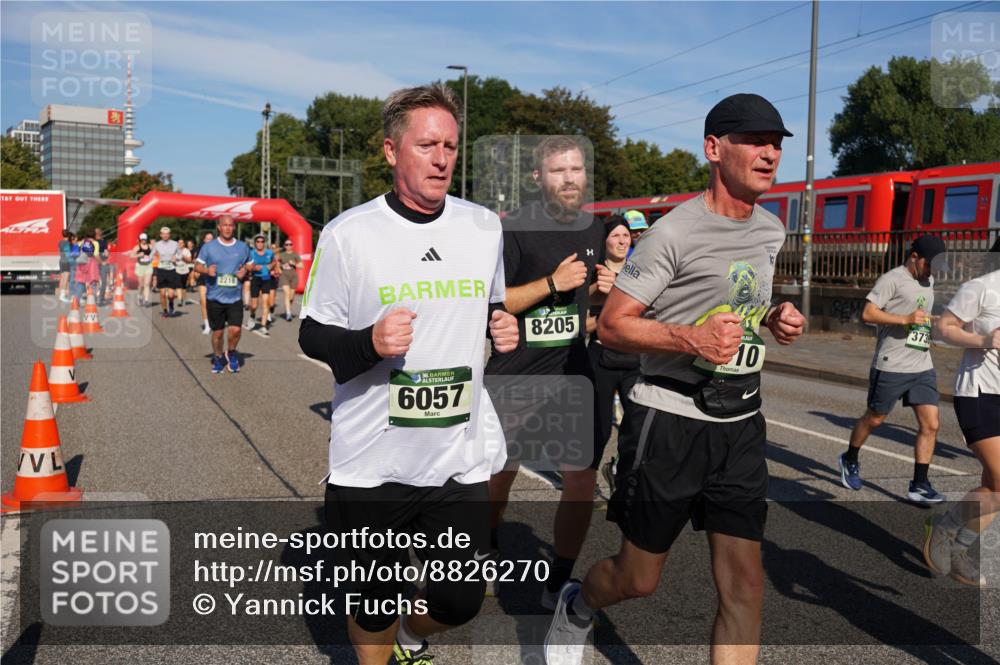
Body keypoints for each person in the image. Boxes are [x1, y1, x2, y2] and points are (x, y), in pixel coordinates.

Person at [544, 93, 805, 665]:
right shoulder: (672, 234)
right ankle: (578, 603)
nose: (769, 154)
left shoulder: (770, 230)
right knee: (638, 579)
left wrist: (774, 316)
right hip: (670, 421)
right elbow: (613, 326)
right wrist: (692, 339)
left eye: (776, 144)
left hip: (740, 422)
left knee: (745, 585)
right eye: (754, 141)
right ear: (714, 148)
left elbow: (739, 302)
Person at [297, 83, 518, 665]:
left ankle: (413, 634)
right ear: (393, 152)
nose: (442, 158)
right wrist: (369, 342)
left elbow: (490, 305)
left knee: (462, 599)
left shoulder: (482, 228)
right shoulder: (350, 233)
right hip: (373, 461)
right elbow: (312, 333)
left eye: (450, 145)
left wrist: (501, 325)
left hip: (456, 456)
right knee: (371, 604)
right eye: (427, 145)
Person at [485, 134, 613, 611]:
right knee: (500, 474)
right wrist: (551, 283)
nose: (569, 179)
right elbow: (495, 301)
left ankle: (558, 577)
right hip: (515, 373)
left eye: (576, 169)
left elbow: (585, 301)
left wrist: (602, 293)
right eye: (559, 171)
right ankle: (487, 545)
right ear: (538, 178)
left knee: (581, 479)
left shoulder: (595, 229)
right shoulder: (514, 228)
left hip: (571, 372)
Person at [838, 235, 948, 503]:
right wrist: (905, 319)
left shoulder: (929, 280)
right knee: (875, 419)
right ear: (914, 257)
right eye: (928, 264)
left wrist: (927, 324)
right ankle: (849, 458)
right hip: (891, 364)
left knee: (931, 424)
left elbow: (918, 312)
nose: (932, 271)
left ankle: (919, 484)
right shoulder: (891, 279)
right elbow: (867, 313)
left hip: (921, 364)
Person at [925, 262, 999, 587]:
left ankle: (959, 553)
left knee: (994, 485)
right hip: (979, 394)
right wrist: (984, 339)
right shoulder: (983, 287)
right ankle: (944, 528)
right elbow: (943, 328)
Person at [587, 216, 641, 496]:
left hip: (633, 359)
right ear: (604, 241)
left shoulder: (639, 272)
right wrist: (608, 320)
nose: (622, 241)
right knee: (599, 429)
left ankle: (620, 474)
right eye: (616, 236)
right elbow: (580, 322)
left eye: (626, 236)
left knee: (636, 426)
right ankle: (588, 481)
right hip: (601, 357)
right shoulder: (594, 273)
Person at [194, 215, 253, 373]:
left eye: (230, 225)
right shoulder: (209, 247)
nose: (227, 228)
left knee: (235, 330)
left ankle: (232, 353)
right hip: (215, 297)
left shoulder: (242, 247)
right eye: (224, 225)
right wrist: (206, 270)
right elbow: (196, 266)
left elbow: (250, 264)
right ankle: (218, 356)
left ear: (234, 227)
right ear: (218, 227)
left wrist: (244, 270)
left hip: (234, 297)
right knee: (218, 333)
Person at [246, 234, 278, 335]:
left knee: (266, 302)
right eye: (258, 241)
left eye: (262, 241)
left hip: (266, 279)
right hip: (255, 278)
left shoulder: (269, 252)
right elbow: (247, 266)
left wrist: (271, 267)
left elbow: (274, 261)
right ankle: (252, 315)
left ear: (265, 243)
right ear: (255, 243)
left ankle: (263, 326)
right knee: (254, 305)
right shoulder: (251, 253)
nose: (260, 243)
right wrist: (254, 268)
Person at [152, 226, 181, 318]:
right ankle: (165, 311)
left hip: (171, 270)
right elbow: (150, 255)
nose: (165, 235)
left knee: (171, 294)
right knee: (162, 293)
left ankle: (171, 303)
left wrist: (176, 258)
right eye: (163, 234)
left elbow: (180, 255)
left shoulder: (175, 244)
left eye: (167, 234)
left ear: (169, 235)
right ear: (160, 235)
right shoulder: (157, 244)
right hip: (161, 270)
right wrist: (146, 259)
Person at [277, 239, 302, 321]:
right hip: (284, 276)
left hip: (293, 277)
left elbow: (301, 266)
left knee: (291, 297)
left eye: (290, 244)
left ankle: (288, 309)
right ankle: (288, 313)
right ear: (284, 246)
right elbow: (277, 263)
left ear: (292, 245)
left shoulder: (295, 255)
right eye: (287, 244)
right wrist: (279, 269)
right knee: (287, 294)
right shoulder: (282, 255)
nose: (288, 246)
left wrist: (293, 264)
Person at [196, 233, 214, 334]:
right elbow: (197, 264)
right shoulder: (201, 250)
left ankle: (215, 321)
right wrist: (196, 272)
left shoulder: (218, 249)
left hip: (215, 277)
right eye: (208, 239)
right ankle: (207, 325)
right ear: (204, 240)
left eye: (211, 239)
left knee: (214, 302)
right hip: (204, 277)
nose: (209, 241)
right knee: (204, 301)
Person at [73, 234, 101, 302]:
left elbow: (75, 253)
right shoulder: (94, 243)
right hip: (91, 264)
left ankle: (76, 301)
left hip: (81, 264)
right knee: (93, 283)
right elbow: (95, 254)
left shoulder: (80, 243)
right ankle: (92, 301)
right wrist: (101, 262)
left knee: (81, 283)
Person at [130, 233, 154, 307]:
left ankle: (146, 300)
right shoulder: (137, 247)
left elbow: (154, 254)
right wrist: (139, 255)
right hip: (140, 267)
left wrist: (151, 257)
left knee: (147, 284)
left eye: (145, 239)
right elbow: (131, 256)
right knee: (141, 285)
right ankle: (140, 296)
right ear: (140, 240)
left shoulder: (150, 246)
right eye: (142, 239)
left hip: (148, 266)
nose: (144, 241)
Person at [93, 227, 111, 305]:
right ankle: (98, 298)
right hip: (98, 261)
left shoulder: (100, 242)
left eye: (97, 232)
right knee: (99, 280)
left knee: (101, 281)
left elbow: (106, 252)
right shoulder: (98, 242)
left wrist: (106, 257)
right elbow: (106, 253)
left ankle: (99, 298)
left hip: (98, 261)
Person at [174, 239, 193, 308]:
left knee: (184, 286)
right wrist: (173, 260)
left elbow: (190, 260)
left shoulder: (186, 251)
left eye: (181, 243)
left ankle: (183, 299)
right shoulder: (175, 251)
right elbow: (172, 260)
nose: (180, 244)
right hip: (177, 270)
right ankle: (179, 300)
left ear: (184, 244)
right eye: (178, 243)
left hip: (185, 270)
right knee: (178, 285)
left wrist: (183, 256)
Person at [57, 230, 74, 303]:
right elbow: (68, 254)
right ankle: (62, 295)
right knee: (66, 278)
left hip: (61, 260)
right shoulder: (67, 243)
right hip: (66, 261)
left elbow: (59, 251)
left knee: (62, 278)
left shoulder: (60, 242)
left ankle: (61, 294)